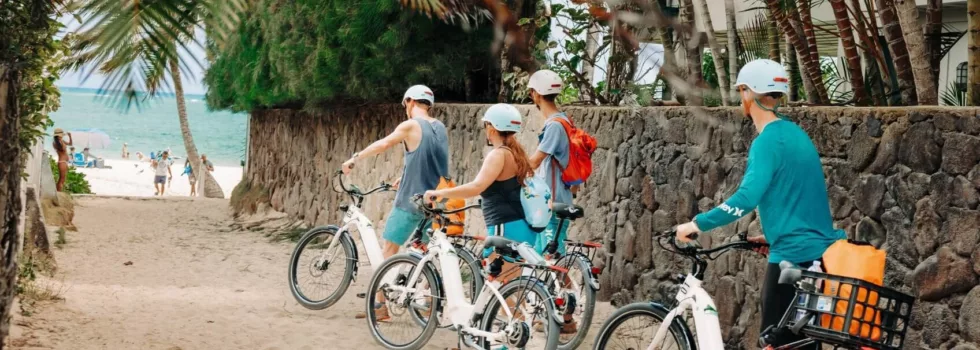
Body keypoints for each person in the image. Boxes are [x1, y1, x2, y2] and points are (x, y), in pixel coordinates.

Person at [673, 59, 845, 349]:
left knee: (774, 343)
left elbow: (746, 199)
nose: (741, 96)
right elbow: (802, 197)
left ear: (749, 93)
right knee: (800, 343)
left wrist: (696, 224)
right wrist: (774, 235)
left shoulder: (767, 142)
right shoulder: (795, 134)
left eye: (742, 90)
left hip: (793, 258)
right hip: (816, 256)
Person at [343, 85, 448, 319]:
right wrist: (405, 175)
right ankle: (429, 305)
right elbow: (432, 161)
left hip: (411, 200)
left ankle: (379, 306)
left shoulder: (410, 125)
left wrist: (355, 158)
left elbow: (383, 144)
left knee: (389, 250)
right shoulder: (439, 127)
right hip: (437, 199)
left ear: (410, 101)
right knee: (426, 253)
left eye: (405, 104)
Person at [423, 104, 534, 283]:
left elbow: (476, 187)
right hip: (519, 224)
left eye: (486, 125)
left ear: (491, 128)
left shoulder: (498, 155)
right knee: (508, 286)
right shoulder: (515, 153)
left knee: (502, 287)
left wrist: (439, 193)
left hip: (505, 227)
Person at [526, 69, 574, 256]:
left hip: (553, 200)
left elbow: (535, 162)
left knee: (551, 257)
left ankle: (565, 277)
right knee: (540, 255)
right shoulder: (564, 121)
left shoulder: (555, 125)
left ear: (536, 94)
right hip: (554, 198)